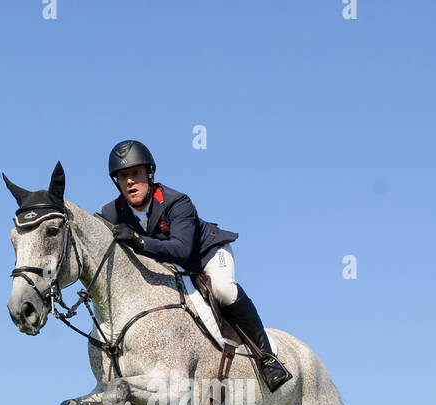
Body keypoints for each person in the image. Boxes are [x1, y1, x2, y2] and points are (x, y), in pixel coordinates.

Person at [100, 140, 292, 392]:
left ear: (150, 173)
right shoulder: (111, 212)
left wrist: (137, 240)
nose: (130, 182)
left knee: (224, 290)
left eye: (135, 173)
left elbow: (181, 249)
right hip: (171, 268)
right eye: (123, 176)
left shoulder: (176, 202)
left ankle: (268, 360)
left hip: (205, 255)